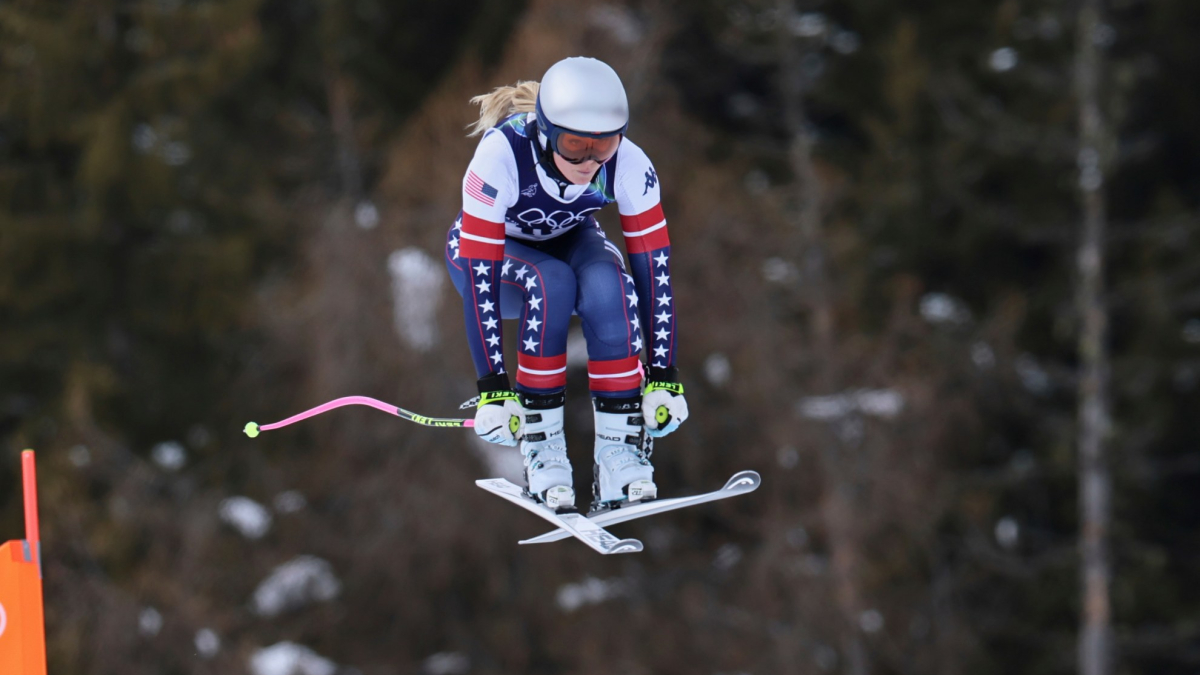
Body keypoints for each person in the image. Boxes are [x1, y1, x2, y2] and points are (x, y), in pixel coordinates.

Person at [445, 56, 688, 512]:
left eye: (604, 146)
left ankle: (620, 453)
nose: (590, 162)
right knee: (550, 281)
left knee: (607, 285)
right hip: (492, 263)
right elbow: (481, 278)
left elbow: (654, 271)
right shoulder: (500, 157)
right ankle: (543, 449)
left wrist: (663, 377)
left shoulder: (630, 164)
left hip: (569, 239)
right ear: (545, 133)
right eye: (575, 145)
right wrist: (494, 388)